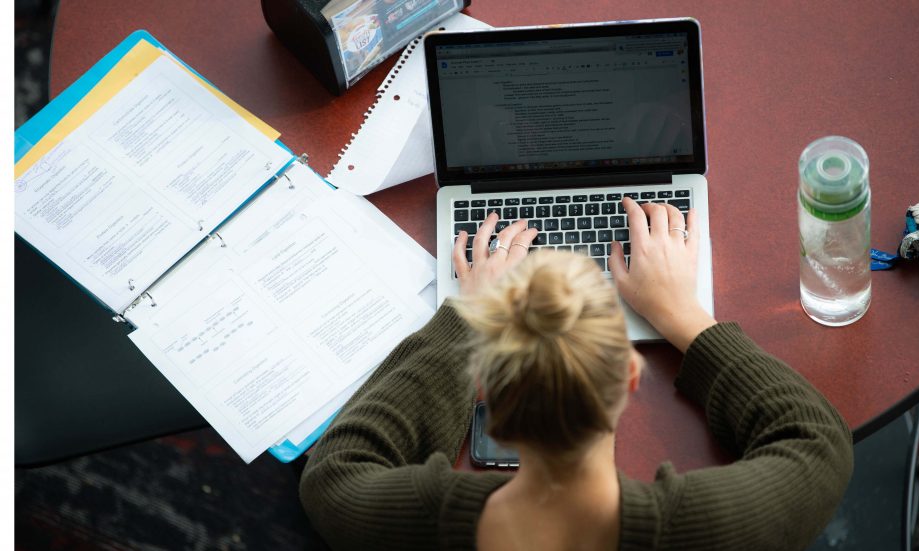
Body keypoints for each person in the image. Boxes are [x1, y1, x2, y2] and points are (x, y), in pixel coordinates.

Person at [299, 198, 853, 550]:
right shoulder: (699, 531)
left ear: (486, 390)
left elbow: (334, 473)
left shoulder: (424, 526)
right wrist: (682, 315)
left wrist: (466, 317)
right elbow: (818, 442)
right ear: (629, 380)